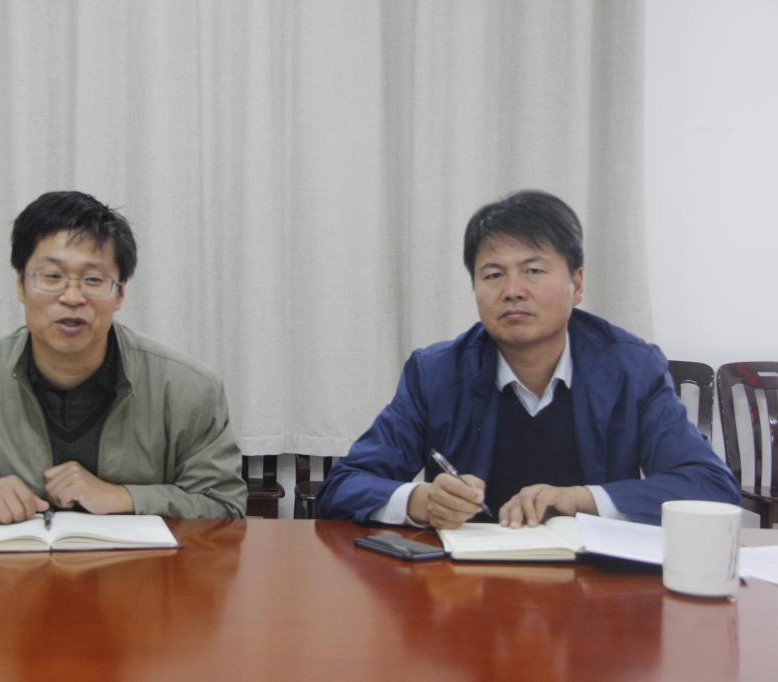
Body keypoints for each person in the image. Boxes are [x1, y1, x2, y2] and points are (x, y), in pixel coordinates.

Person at [316, 190, 739, 528]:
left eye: (533, 271)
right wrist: (420, 501)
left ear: (576, 284)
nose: (513, 290)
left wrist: (579, 500)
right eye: (493, 274)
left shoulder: (631, 368)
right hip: (467, 585)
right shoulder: (436, 373)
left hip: (593, 586)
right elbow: (344, 485)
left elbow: (710, 486)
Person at [0, 191, 247, 521]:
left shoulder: (189, 390)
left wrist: (122, 497)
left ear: (120, 294)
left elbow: (225, 507)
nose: (73, 297)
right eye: (52, 276)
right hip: (7, 566)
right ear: (21, 285)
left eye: (93, 280)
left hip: (138, 568)